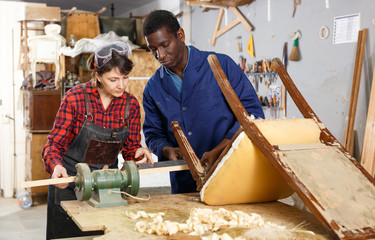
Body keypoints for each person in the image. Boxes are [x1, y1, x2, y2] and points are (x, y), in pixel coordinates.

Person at [142, 10, 264, 194]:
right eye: (153, 50)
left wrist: (222, 148)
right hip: (185, 183)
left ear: (180, 36)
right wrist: (167, 150)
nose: (160, 55)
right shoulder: (153, 88)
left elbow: (252, 114)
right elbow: (153, 133)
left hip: (232, 172)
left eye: (165, 45)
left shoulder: (221, 66)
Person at [42, 41, 153, 240]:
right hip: (69, 185)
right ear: (98, 75)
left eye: (125, 78)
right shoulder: (74, 98)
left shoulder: (131, 106)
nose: (121, 85)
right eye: (113, 79)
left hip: (106, 187)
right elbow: (54, 144)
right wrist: (55, 166)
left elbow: (130, 150)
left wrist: (138, 152)